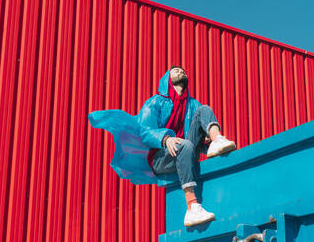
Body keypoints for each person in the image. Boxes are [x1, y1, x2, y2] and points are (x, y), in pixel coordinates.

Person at [88, 66, 236, 226]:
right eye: (176, 70)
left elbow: (197, 132)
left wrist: (205, 140)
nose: (181, 71)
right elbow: (144, 131)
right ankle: (192, 207)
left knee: (204, 109)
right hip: (160, 157)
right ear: (167, 78)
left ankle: (217, 139)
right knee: (184, 144)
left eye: (183, 71)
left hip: (185, 150)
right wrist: (165, 139)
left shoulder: (192, 104)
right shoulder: (156, 102)